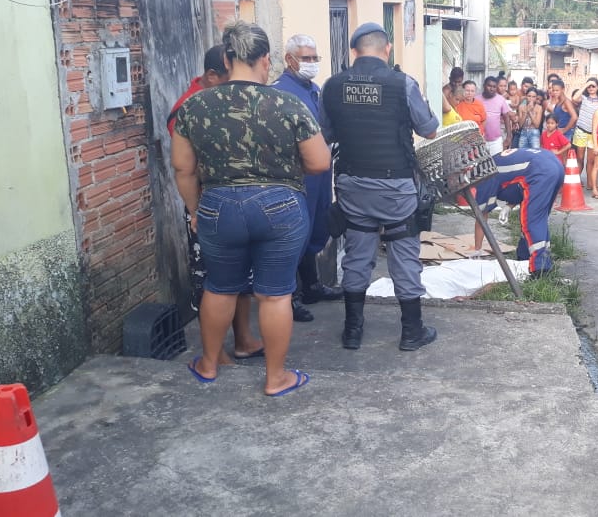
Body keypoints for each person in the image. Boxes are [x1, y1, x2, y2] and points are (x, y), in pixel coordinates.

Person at [172, 21, 331, 396]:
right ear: (266, 59)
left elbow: (183, 168)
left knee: (221, 287)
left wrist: (196, 210)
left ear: (226, 59)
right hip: (280, 206)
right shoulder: (289, 103)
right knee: (275, 294)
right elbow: (320, 162)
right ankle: (276, 378)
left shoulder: (194, 105)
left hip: (218, 206)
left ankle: (209, 365)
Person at [319, 22, 439, 352]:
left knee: (357, 254)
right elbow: (429, 129)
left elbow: (324, 136)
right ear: (386, 50)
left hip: (352, 185)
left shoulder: (332, 85)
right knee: (403, 253)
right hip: (395, 186)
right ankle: (411, 331)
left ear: (354, 52)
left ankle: (352, 331)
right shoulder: (402, 83)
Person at [167, 45, 264, 363]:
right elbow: (187, 168)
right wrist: (196, 210)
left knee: (241, 275)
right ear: (212, 75)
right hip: (207, 204)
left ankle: (243, 340)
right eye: (230, 78)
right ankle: (216, 351)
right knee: (213, 279)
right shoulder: (190, 109)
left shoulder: (218, 102)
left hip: (232, 201)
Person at [271, 33, 343, 321]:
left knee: (316, 228)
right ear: (290, 60)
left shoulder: (315, 90)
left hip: (320, 175)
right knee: (294, 235)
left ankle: (311, 286)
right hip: (296, 176)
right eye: (306, 58)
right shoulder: (279, 93)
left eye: (315, 58)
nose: (312, 63)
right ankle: (288, 297)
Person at [473, 148, 565, 277]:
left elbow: (481, 218)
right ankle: (525, 256)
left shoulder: (484, 177)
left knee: (531, 220)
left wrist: (477, 250)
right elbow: (518, 183)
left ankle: (539, 269)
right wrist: (509, 206)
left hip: (540, 171)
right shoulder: (494, 161)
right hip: (554, 164)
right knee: (539, 217)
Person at [572, 78, 598, 184]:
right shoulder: (584, 98)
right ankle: (576, 180)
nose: (591, 88)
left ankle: (590, 183)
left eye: (593, 86)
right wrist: (585, 85)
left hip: (594, 134)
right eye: (589, 86)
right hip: (581, 131)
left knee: (591, 160)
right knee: (580, 158)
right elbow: (574, 98)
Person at [478, 75, 511, 154]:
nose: (491, 88)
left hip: (496, 141)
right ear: (484, 86)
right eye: (489, 86)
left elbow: (506, 118)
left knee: (497, 164)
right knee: (481, 165)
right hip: (480, 141)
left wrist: (509, 137)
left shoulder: (500, 99)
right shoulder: (476, 99)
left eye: (494, 86)